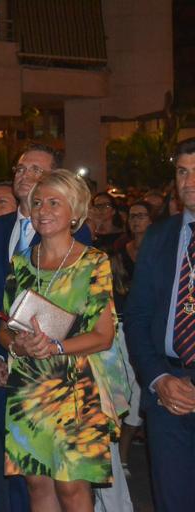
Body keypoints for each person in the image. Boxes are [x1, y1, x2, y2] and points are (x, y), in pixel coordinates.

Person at [0, 169, 127, 511]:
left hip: (76, 387)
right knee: (38, 485)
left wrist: (56, 347)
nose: (43, 210)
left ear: (76, 211)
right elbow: (5, 327)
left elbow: (103, 336)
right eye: (37, 202)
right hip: (28, 385)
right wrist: (18, 345)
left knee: (72, 489)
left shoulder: (94, 262)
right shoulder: (21, 262)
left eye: (54, 202)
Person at [0, 143, 92, 512]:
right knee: (8, 470)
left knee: (61, 482)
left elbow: (83, 317)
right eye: (21, 168)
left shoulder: (79, 240)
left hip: (57, 379)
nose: (24, 175)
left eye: (36, 170)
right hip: (5, 374)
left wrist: (43, 354)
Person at [125, 138, 195, 512]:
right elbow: (137, 316)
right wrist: (158, 378)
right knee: (172, 500)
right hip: (165, 392)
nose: (189, 182)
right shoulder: (160, 236)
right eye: (183, 171)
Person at [110, 201, 152, 479]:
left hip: (147, 329)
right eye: (132, 216)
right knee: (118, 390)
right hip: (118, 328)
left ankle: (123, 452)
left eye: (142, 216)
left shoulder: (160, 251)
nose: (136, 221)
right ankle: (114, 455)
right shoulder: (117, 254)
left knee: (138, 392)